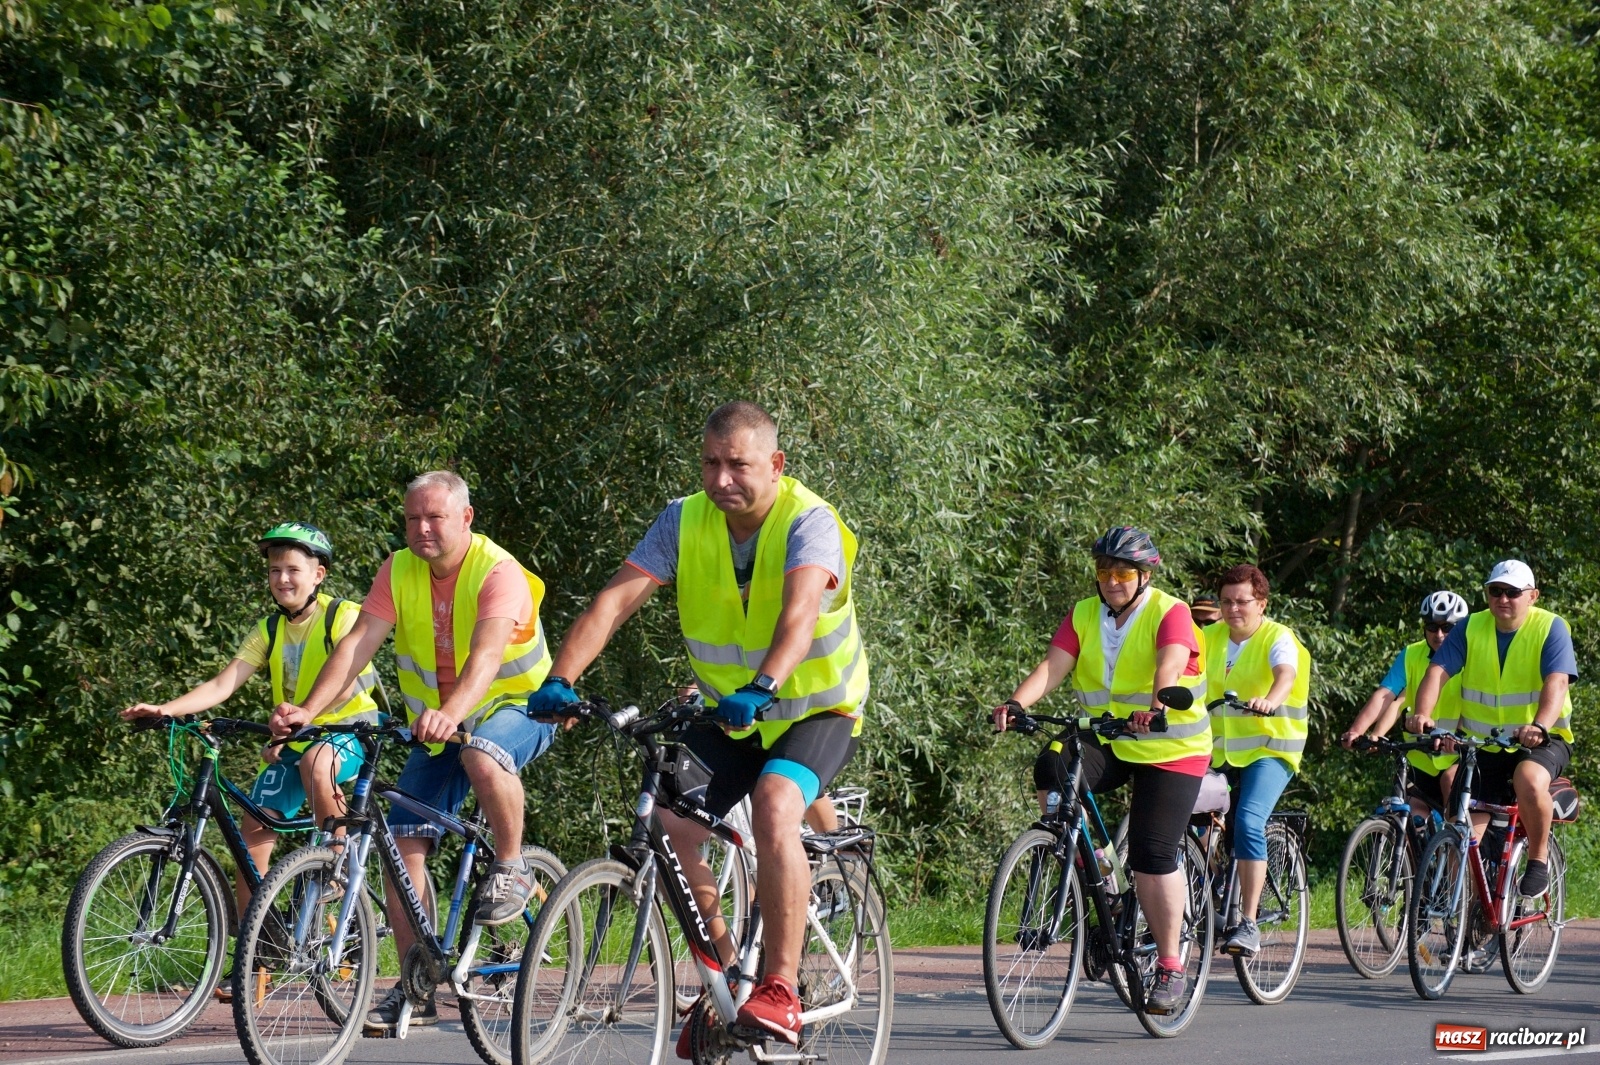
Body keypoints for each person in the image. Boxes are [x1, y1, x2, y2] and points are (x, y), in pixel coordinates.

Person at [527, 401, 868, 1050]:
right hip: (734, 715)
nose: (720, 479)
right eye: (710, 463)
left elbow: (799, 614)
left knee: (775, 805)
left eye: (738, 464)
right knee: (670, 821)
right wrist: (561, 677)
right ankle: (727, 980)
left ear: (776, 464)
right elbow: (615, 600)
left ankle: (781, 987)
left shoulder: (809, 521)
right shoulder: (684, 520)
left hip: (814, 709)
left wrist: (764, 684)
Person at [270, 472, 556, 1028]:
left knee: (482, 755)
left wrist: (451, 712)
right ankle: (416, 985)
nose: (422, 528)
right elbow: (357, 644)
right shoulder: (399, 569)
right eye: (412, 519)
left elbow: (486, 657)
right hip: (438, 725)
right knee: (399, 844)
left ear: (465, 518)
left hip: (518, 707)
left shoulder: (497, 571)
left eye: (435, 517)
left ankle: (512, 864)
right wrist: (308, 710)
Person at [122, 522, 381, 999]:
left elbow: (348, 672)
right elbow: (225, 682)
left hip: (347, 732)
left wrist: (304, 717)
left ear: (319, 574)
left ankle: (337, 864)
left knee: (317, 761)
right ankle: (256, 957)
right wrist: (166, 709)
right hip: (295, 737)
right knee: (252, 836)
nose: (282, 578)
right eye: (274, 570)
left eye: (293, 570)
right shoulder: (270, 629)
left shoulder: (341, 616)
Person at [992, 526, 1209, 1014]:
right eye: (1104, 572)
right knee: (1052, 762)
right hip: (1111, 737)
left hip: (1170, 746)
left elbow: (1170, 665)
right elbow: (1052, 666)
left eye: (1122, 573)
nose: (1111, 581)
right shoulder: (1085, 614)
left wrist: (1155, 708)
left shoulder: (1170, 612)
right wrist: (1016, 703)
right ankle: (1104, 882)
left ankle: (1170, 964)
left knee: (1153, 854)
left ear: (1144, 576)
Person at [1408, 560, 1576, 898]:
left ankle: (1538, 861)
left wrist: (1540, 725)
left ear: (1532, 596)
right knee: (1463, 832)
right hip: (1485, 745)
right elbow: (1437, 672)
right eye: (1495, 591)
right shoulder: (1470, 627)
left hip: (1541, 741)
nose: (1503, 599)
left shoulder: (1551, 627)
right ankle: (1471, 907)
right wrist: (1422, 714)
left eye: (1512, 592)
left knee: (1528, 779)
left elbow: (1557, 681)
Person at [1202, 564, 1311, 958]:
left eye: (1242, 601)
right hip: (1220, 750)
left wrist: (1270, 700)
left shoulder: (1278, 637)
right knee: (1182, 811)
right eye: (1226, 601)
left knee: (1249, 821)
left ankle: (1248, 922)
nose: (1233, 608)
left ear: (1261, 604)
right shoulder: (1208, 637)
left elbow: (1285, 675)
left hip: (1271, 747)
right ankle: (1207, 888)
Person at [1338, 591, 1469, 816]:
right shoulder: (1411, 654)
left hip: (1456, 754)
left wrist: (1460, 733)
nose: (1439, 635)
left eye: (1447, 628)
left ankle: (1455, 837)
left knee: (1451, 793)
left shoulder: (1470, 656)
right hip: (1420, 756)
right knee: (1411, 818)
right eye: (1432, 627)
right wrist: (1358, 731)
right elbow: (1385, 696)